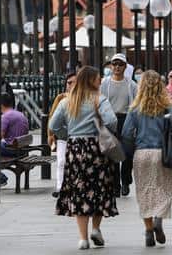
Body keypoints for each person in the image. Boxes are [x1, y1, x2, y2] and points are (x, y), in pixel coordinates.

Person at [49, 66, 118, 250]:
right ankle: (96, 228)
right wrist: (101, 130)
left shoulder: (67, 101)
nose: (101, 80)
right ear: (91, 80)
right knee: (99, 188)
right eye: (98, 78)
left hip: (75, 149)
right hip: (96, 149)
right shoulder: (99, 99)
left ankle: (83, 238)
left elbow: (53, 124)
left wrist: (68, 135)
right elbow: (112, 121)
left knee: (79, 191)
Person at [121, 70, 172, 247]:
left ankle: (148, 231)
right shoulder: (166, 106)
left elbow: (126, 133)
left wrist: (135, 143)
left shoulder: (135, 107)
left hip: (141, 153)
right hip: (161, 153)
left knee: (144, 191)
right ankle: (158, 220)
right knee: (163, 189)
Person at [100, 53, 138, 197]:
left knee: (128, 153)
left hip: (127, 119)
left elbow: (137, 104)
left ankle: (126, 181)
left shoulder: (131, 84)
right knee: (113, 155)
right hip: (110, 119)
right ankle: (115, 185)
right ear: (110, 66)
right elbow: (99, 101)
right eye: (114, 64)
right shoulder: (105, 83)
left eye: (120, 64)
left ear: (125, 66)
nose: (117, 67)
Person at [49, 72, 77, 197]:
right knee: (61, 161)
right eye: (69, 82)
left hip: (78, 136)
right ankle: (60, 187)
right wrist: (52, 135)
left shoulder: (84, 99)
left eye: (74, 82)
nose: (71, 85)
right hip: (63, 136)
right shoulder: (61, 98)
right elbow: (52, 117)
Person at [0, 93, 29, 187]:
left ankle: (1, 178)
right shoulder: (20, 114)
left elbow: (0, 135)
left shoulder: (5, 117)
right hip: (21, 149)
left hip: (12, 150)